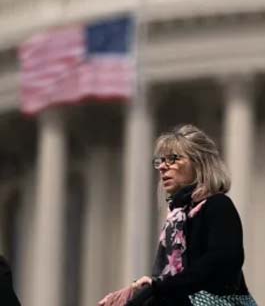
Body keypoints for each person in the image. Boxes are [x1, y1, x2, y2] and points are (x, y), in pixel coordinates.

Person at [99, 124, 254, 306]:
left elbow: (223, 261)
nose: (163, 167)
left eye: (172, 159)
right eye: (160, 161)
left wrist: (158, 287)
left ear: (199, 163)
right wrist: (146, 287)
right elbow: (177, 280)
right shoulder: (178, 215)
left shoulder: (217, 205)